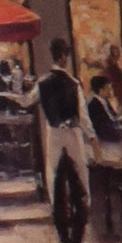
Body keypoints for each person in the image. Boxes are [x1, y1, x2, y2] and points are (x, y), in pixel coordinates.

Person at [37, 38, 91, 209]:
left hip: (54, 131)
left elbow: (26, 101)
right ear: (62, 57)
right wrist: (92, 136)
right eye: (66, 55)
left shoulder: (42, 83)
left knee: (52, 169)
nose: (66, 59)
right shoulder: (74, 83)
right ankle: (86, 203)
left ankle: (55, 205)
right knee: (81, 166)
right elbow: (83, 116)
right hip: (73, 131)